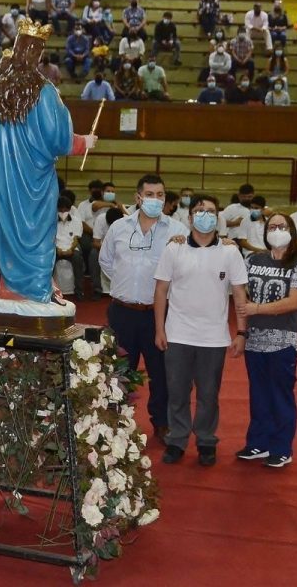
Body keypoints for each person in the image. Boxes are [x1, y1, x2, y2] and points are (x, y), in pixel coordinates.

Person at [0, 17, 97, 308]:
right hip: (38, 178)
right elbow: (59, 138)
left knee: (10, 225)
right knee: (40, 229)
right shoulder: (44, 91)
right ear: (38, 56)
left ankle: (12, 285)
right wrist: (84, 142)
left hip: (8, 177)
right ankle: (37, 284)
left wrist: (3, 163)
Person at [154, 194, 247, 467]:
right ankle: (177, 440)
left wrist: (242, 333)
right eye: (199, 210)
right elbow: (161, 290)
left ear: (217, 217)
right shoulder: (174, 248)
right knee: (177, 392)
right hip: (178, 334)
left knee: (209, 394)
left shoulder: (230, 251)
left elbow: (240, 294)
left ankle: (206, 440)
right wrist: (159, 328)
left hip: (214, 338)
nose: (204, 215)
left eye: (210, 211)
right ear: (191, 217)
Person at [99, 174, 188, 440]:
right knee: (119, 370)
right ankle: (114, 421)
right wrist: (127, 283)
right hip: (122, 311)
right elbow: (105, 260)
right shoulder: (119, 227)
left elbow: (190, 264)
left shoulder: (177, 231)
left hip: (158, 314)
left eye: (160, 195)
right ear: (138, 198)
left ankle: (162, 422)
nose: (155, 199)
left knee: (161, 372)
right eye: (150, 194)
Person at [235, 214, 297, 468]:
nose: (277, 230)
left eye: (282, 226)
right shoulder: (253, 260)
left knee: (280, 395)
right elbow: (240, 299)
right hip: (255, 341)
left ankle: (281, 447)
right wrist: (242, 333)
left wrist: (257, 309)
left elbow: (294, 301)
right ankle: (258, 442)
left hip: (283, 341)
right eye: (271, 227)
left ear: (291, 230)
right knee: (258, 394)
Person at [55, 196, 85, 299]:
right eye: (60, 209)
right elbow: (50, 238)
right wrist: (56, 249)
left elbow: (76, 239)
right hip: (56, 248)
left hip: (71, 248)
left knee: (78, 259)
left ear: (69, 209)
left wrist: (71, 249)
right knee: (47, 260)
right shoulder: (50, 221)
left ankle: (79, 290)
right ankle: (49, 289)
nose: (63, 212)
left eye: (66, 209)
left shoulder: (76, 220)